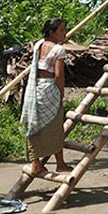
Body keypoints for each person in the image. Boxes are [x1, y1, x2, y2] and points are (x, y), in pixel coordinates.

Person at [20, 18, 73, 175]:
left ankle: (35, 162)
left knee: (34, 126)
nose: (65, 33)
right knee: (56, 127)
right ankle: (60, 163)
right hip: (50, 88)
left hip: (37, 88)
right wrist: (61, 92)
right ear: (52, 32)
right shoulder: (59, 50)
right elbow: (59, 75)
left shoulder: (38, 45)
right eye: (62, 30)